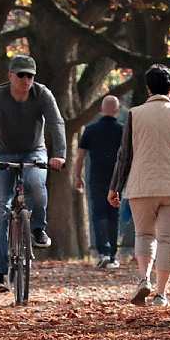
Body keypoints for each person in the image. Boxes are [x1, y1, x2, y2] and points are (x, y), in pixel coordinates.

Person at [108, 65, 170, 307]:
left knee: (144, 234)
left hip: (141, 184)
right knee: (168, 239)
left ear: (148, 88)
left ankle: (143, 278)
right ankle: (161, 293)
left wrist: (115, 187)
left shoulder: (134, 114)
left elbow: (125, 155)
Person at [0, 54, 66, 293]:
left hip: (34, 151)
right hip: (1, 153)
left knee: (36, 185)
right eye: (21, 75)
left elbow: (56, 123)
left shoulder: (43, 94)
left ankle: (37, 228)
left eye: (30, 76)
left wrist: (60, 154)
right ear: (10, 76)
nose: (26, 80)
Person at [75, 95, 125, 269]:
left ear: (101, 109)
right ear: (117, 111)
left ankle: (103, 251)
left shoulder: (90, 130)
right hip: (116, 178)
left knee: (99, 214)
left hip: (96, 177)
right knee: (113, 215)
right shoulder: (122, 130)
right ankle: (112, 255)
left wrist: (77, 176)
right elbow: (128, 155)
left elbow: (80, 155)